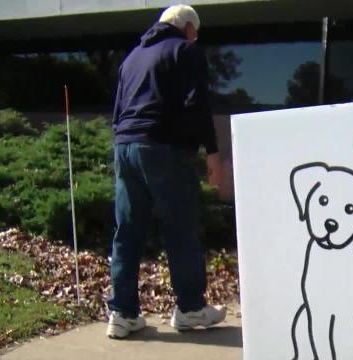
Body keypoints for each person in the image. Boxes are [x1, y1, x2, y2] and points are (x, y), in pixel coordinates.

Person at [106, 4, 226, 339]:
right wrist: (211, 152)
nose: (195, 37)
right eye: (195, 33)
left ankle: (122, 313)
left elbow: (117, 111)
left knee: (127, 230)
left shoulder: (131, 58)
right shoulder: (185, 51)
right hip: (164, 148)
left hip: (125, 146)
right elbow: (197, 103)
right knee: (181, 226)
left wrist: (122, 143)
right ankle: (189, 308)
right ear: (188, 28)